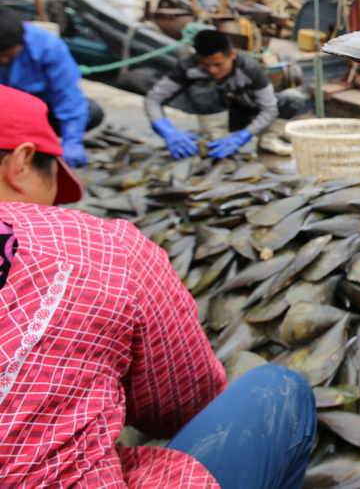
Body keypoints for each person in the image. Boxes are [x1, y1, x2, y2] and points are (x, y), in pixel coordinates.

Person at [0, 85, 316, 488]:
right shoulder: (103, 249)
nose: (55, 206)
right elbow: (181, 406)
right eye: (52, 184)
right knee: (279, 390)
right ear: (22, 162)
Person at [144, 29, 307, 159]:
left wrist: (243, 136)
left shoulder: (250, 69)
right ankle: (216, 139)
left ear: (233, 55)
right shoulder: (188, 67)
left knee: (293, 98)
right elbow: (153, 98)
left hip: (251, 115)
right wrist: (167, 131)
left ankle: (268, 141)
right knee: (201, 88)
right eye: (206, 65)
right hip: (219, 115)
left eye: (218, 64)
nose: (212, 70)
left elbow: (269, 108)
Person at [0, 6, 103, 168]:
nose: (4, 61)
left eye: (8, 55)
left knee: (92, 112)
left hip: (42, 112)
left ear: (21, 40)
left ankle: (43, 141)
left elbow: (68, 97)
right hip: (5, 114)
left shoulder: (48, 47)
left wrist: (72, 142)